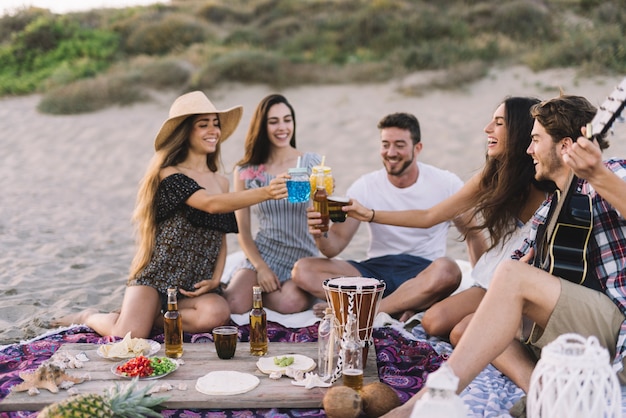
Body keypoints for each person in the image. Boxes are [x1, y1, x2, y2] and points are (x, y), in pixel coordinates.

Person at [384, 94, 626, 417]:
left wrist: (597, 174)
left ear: (566, 145)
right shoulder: (549, 208)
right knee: (474, 326)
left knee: (511, 279)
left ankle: (425, 402)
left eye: (536, 140)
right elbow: (509, 277)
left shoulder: (611, 173)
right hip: (569, 326)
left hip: (615, 318)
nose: (529, 150)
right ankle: (541, 390)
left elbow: (513, 278)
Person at [53, 91, 289, 338]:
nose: (213, 131)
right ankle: (89, 316)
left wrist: (216, 278)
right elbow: (209, 204)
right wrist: (268, 192)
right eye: (203, 124)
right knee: (128, 336)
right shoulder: (168, 174)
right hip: (157, 278)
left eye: (216, 124)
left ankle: (153, 316)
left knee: (217, 313)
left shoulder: (221, 182)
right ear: (185, 132)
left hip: (194, 286)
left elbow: (220, 236)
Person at [346, 97, 549, 338]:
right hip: (499, 269)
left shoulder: (543, 177)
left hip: (528, 278)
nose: (487, 129)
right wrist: (369, 215)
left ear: (520, 130)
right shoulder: (493, 175)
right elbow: (430, 216)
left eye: (499, 123)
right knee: (435, 322)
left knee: (442, 325)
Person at [292, 112, 485, 316]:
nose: (391, 152)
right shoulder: (365, 186)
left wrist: (483, 284)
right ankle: (405, 305)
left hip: (424, 271)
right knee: (303, 270)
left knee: (448, 270)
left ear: (417, 148)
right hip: (375, 272)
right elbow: (334, 246)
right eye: (385, 144)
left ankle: (367, 309)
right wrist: (319, 233)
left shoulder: (447, 183)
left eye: (400, 145)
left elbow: (473, 234)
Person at [223, 94, 321, 314]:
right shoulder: (247, 170)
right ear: (262, 126)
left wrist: (325, 195)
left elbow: (323, 220)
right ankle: (248, 287)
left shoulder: (311, 163)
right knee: (235, 305)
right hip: (265, 252)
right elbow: (243, 230)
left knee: (290, 304)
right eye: (273, 121)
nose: (282, 127)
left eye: (287, 120)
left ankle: (257, 294)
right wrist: (261, 268)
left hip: (302, 256)